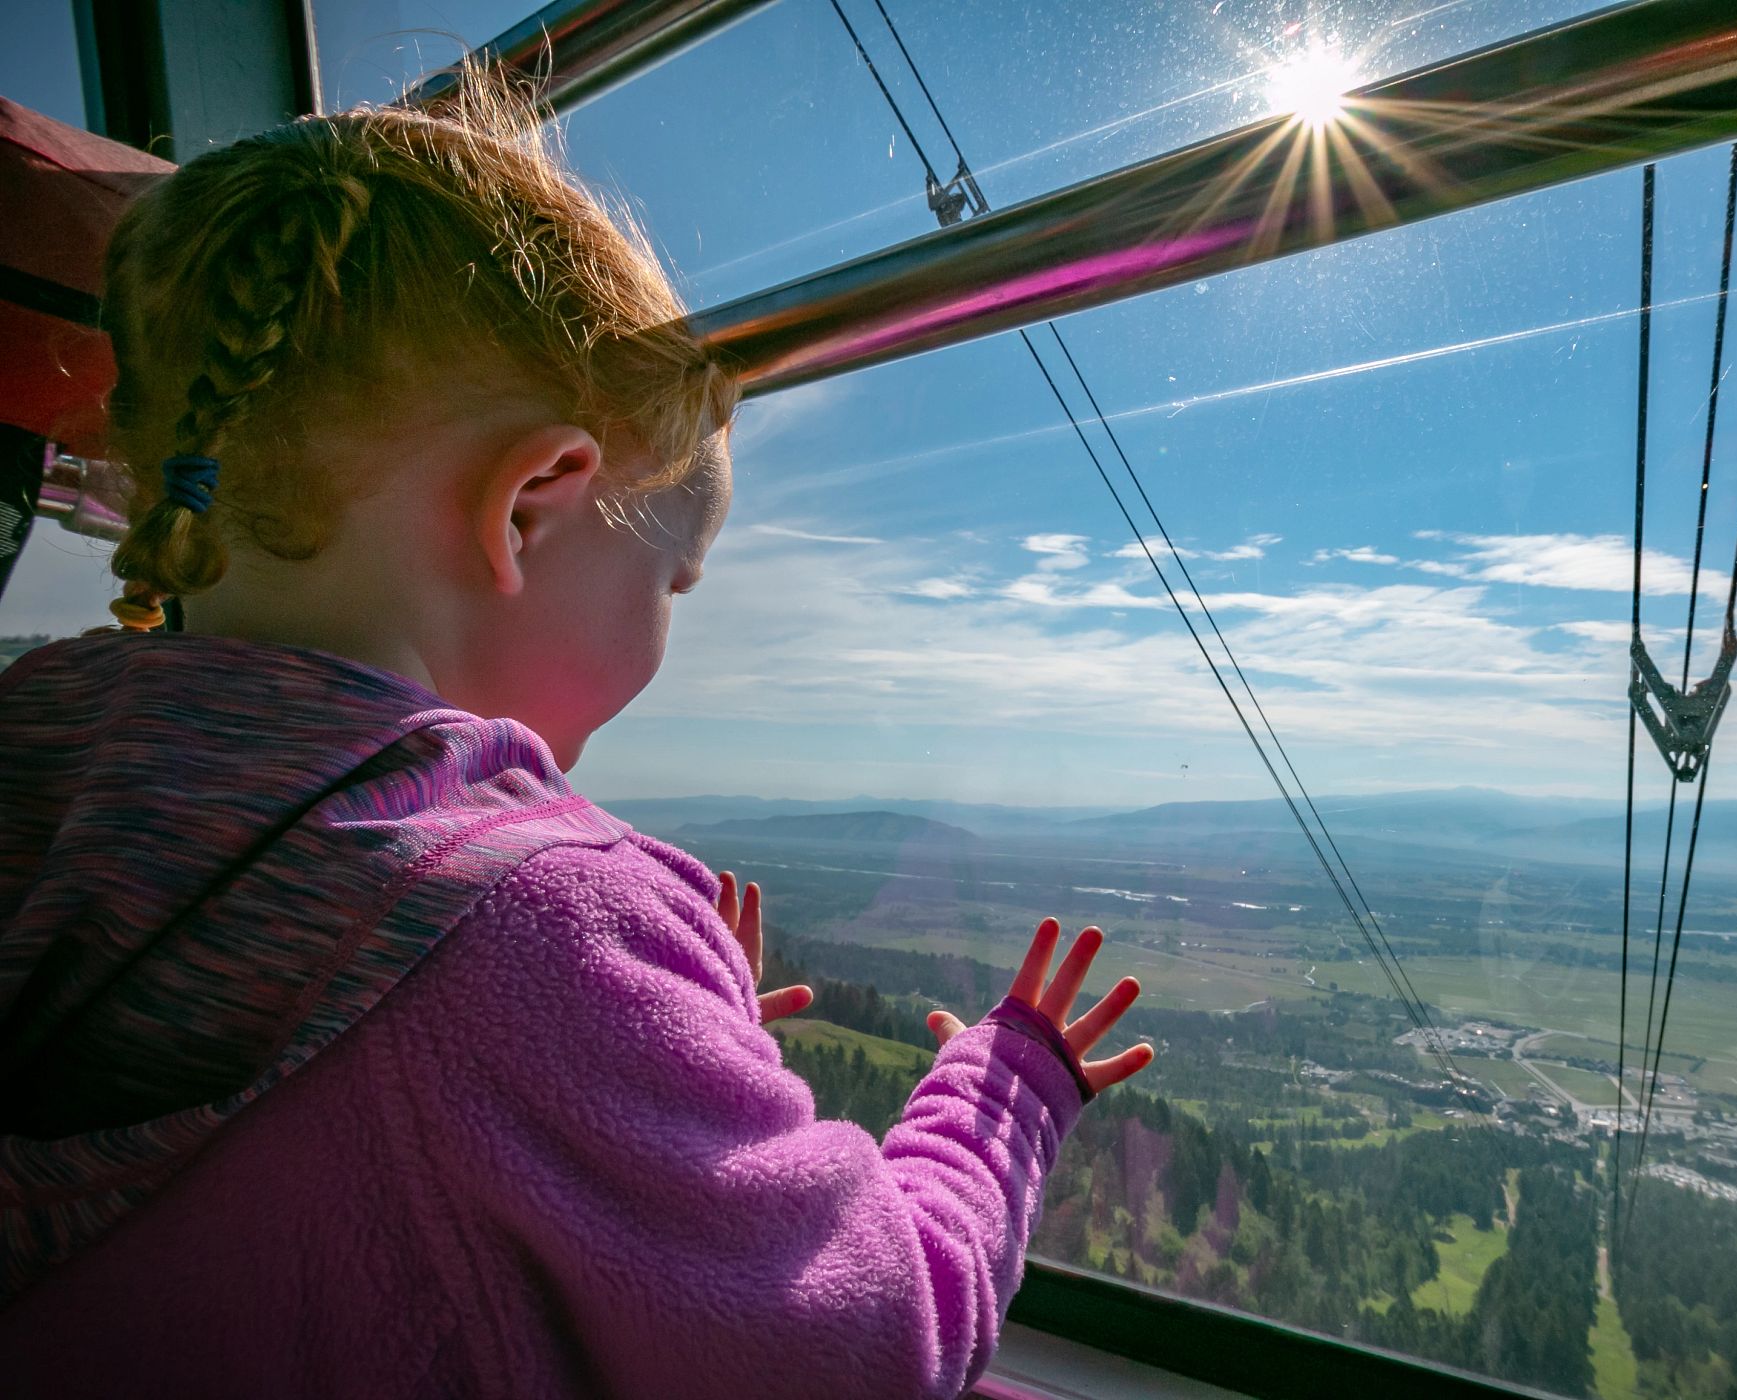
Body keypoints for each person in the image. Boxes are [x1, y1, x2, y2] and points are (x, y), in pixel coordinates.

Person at [0, 71, 1153, 1397]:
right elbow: (869, 1346)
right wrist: (1001, 1094)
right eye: (674, 579)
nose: (669, 629)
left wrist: (665, 1052)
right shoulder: (536, 929)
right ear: (532, 508)